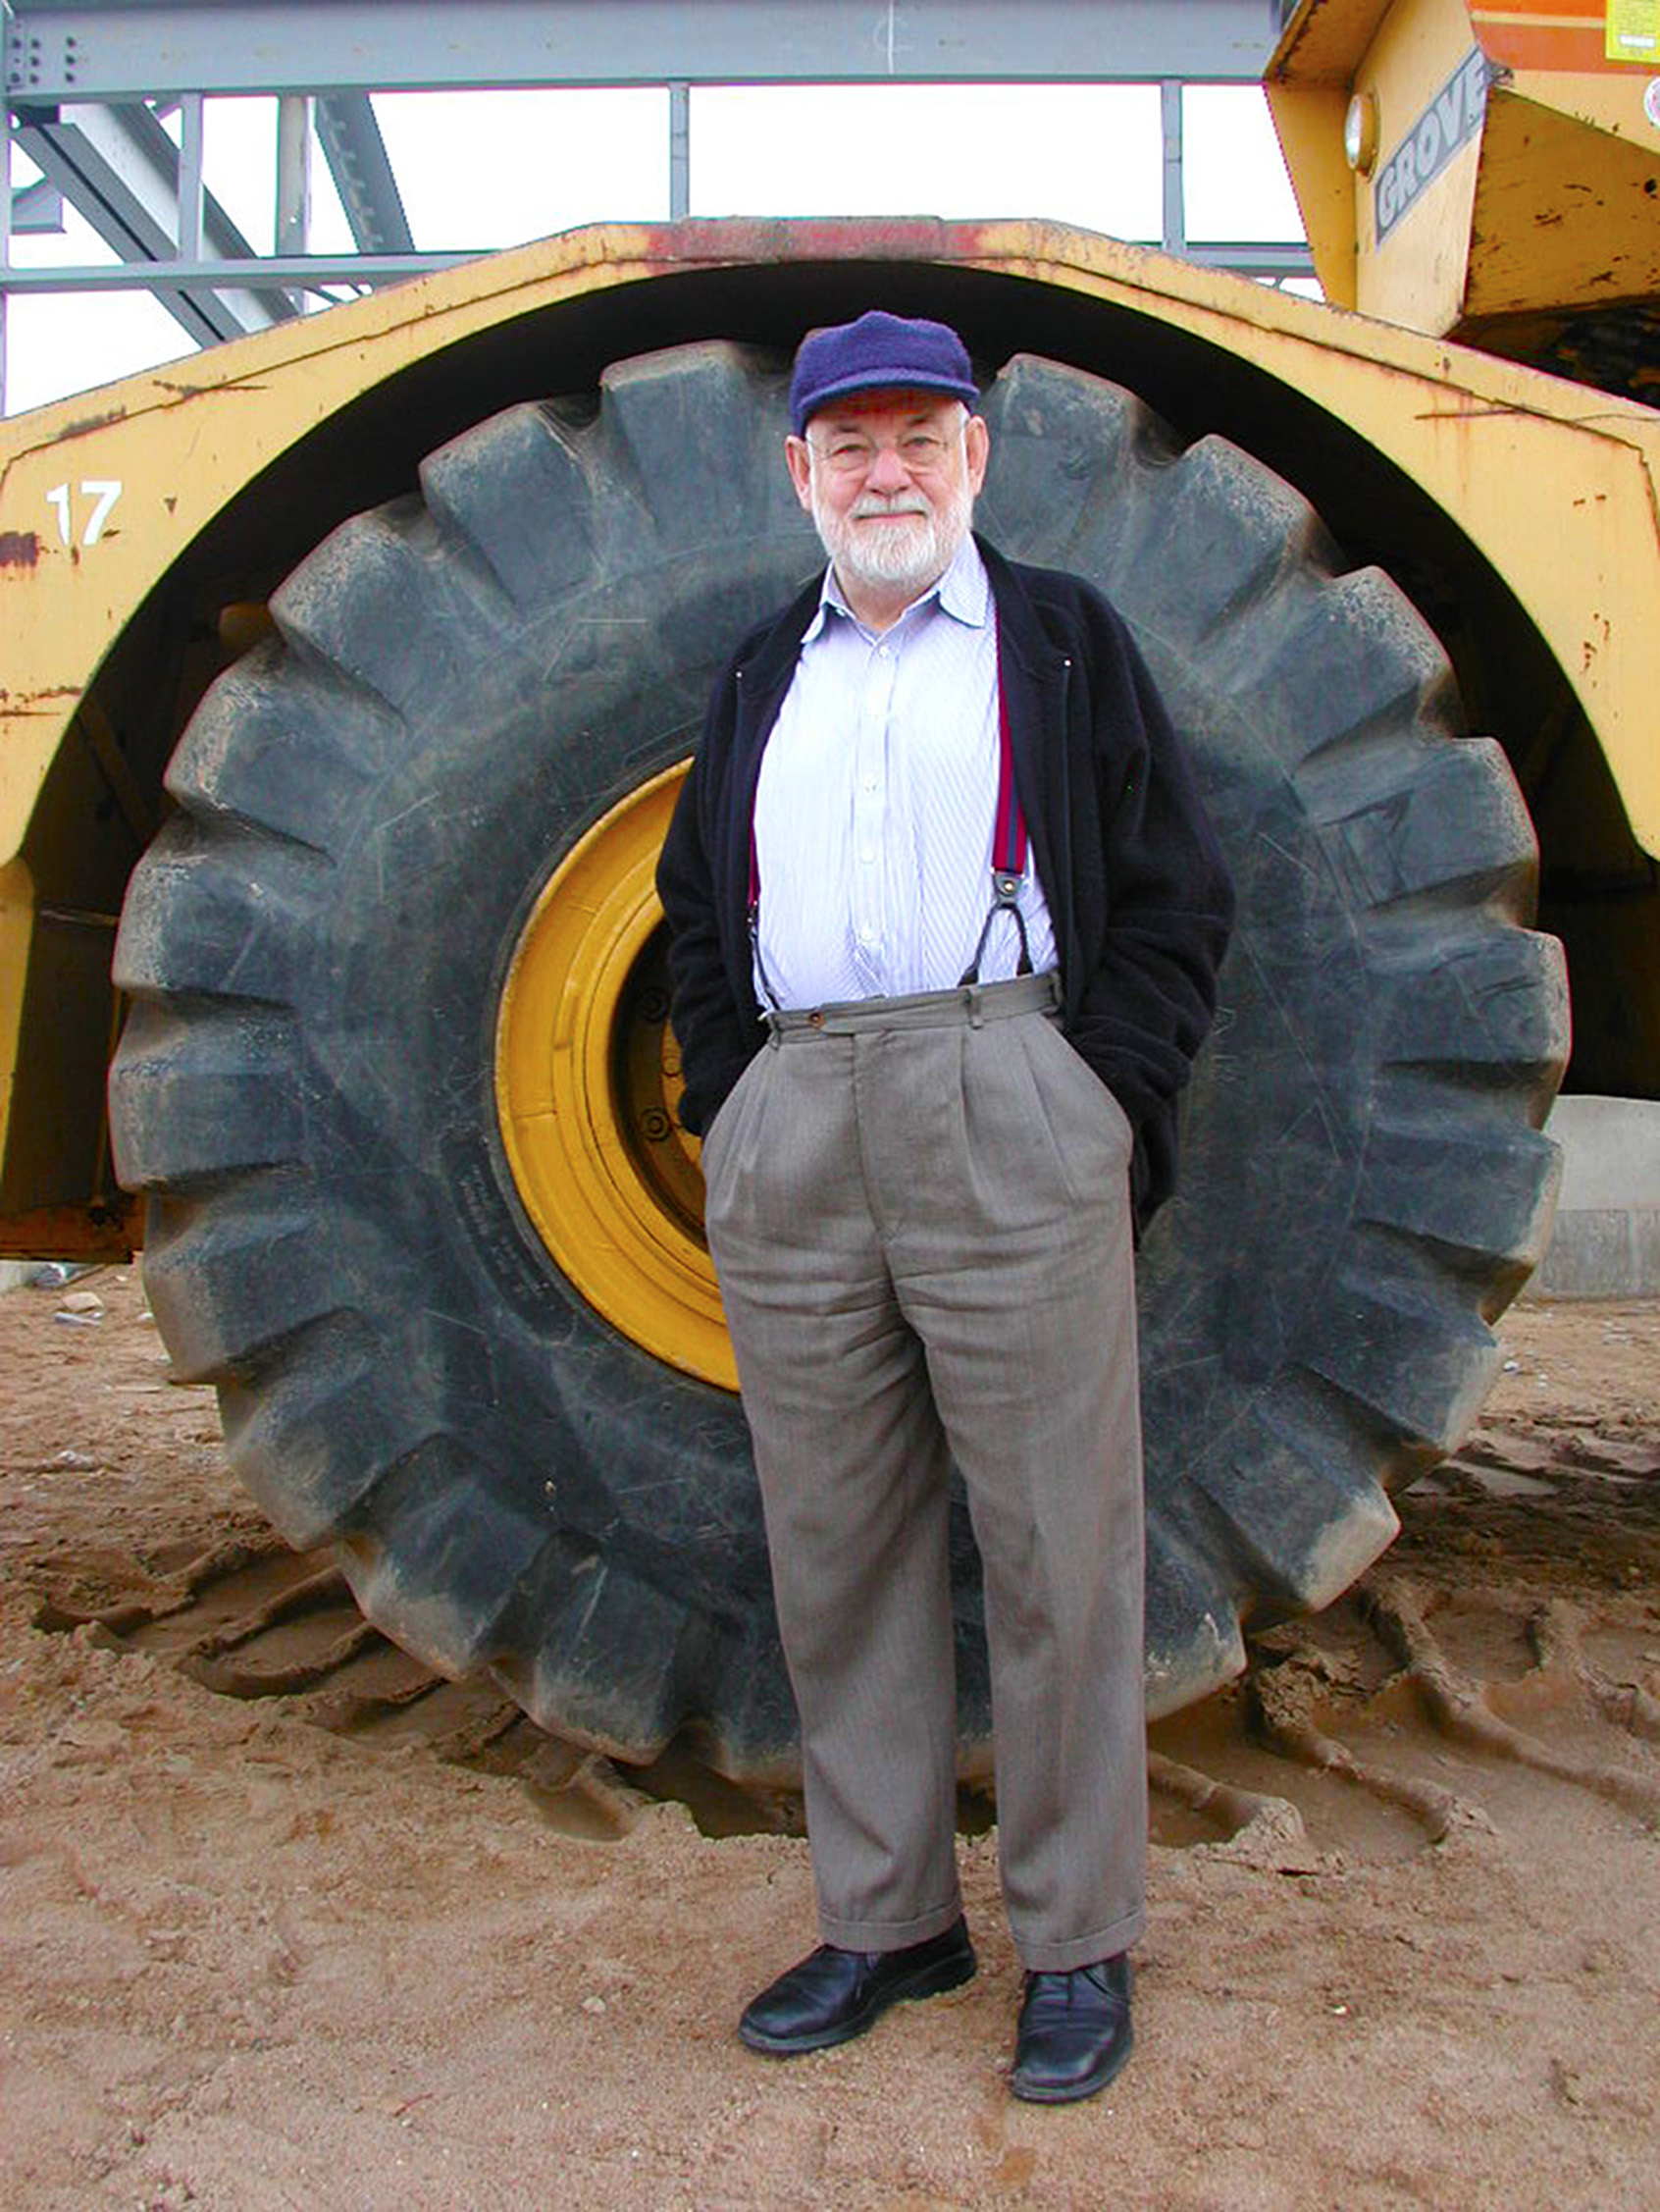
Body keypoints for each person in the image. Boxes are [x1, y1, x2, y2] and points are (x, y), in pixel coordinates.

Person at [656, 310, 1233, 2103]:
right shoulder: (766, 665)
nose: (885, 472)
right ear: (801, 475)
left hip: (1010, 1096)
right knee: (837, 1548)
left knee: (1060, 1544)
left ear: (977, 457)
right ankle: (890, 1916)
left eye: (919, 438)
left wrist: (1093, 1098)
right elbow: (695, 902)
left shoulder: (1064, 644)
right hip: (798, 1113)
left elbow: (1175, 893)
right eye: (850, 446)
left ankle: (1077, 1941)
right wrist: (731, 1103)